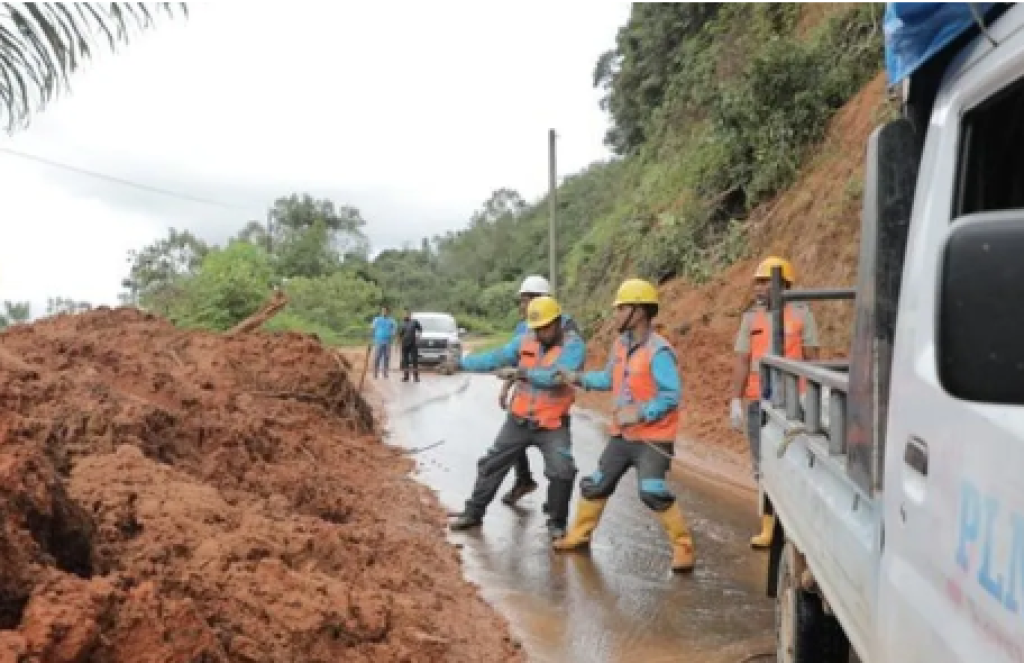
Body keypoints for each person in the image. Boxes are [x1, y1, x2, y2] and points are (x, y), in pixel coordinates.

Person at [552, 278, 695, 573]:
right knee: (597, 484)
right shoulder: (620, 345)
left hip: (653, 437)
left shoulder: (660, 351)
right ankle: (578, 537)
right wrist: (577, 378)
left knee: (652, 490)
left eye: (622, 309)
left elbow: (671, 395)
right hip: (622, 435)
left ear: (639, 312)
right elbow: (608, 379)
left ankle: (683, 548)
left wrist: (641, 413)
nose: (616, 315)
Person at [446, 295, 585, 539]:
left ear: (558, 322)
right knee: (491, 464)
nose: (540, 333)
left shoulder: (574, 346)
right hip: (519, 419)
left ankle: (557, 523)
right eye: (537, 329)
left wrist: (522, 373)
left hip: (552, 424)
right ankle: (473, 512)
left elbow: (555, 377)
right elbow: (496, 357)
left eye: (545, 328)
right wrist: (461, 364)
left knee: (562, 471)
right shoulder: (526, 339)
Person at [729, 256, 819, 549]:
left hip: (794, 402)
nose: (759, 287)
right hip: (758, 400)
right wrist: (734, 400)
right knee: (762, 464)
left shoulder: (802, 314)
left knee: (793, 459)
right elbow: (742, 360)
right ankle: (768, 527)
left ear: (784, 284)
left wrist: (811, 394)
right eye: (757, 281)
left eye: (766, 281)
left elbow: (812, 357)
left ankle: (794, 521)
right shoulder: (750, 318)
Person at [499, 275, 583, 511]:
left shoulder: (566, 330)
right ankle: (523, 480)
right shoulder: (522, 328)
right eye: (522, 301)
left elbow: (565, 368)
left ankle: (554, 501)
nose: (523, 306)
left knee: (558, 458)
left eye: (526, 300)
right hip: (525, 399)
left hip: (553, 406)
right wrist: (507, 386)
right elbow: (516, 362)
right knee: (512, 444)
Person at [369, 306, 397, 379]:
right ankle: (375, 372)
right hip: (378, 341)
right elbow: (372, 328)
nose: (384, 312)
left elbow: (394, 328)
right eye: (383, 311)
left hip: (388, 341)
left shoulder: (391, 320)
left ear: (388, 312)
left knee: (387, 357)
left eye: (385, 311)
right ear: (381, 312)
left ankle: (385, 372)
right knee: (377, 357)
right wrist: (371, 338)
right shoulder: (377, 319)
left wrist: (392, 333)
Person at [398, 310, 423, 382]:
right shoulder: (402, 323)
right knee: (405, 361)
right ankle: (406, 377)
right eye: (404, 314)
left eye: (407, 314)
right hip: (404, 344)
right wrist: (399, 343)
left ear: (410, 315)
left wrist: (418, 337)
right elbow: (400, 335)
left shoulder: (415, 322)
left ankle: (416, 377)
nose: (406, 315)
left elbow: (420, 329)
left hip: (413, 344)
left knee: (414, 360)